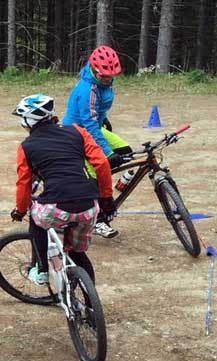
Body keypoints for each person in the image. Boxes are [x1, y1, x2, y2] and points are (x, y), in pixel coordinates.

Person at [10, 94, 115, 286]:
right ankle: (90, 303)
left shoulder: (26, 147)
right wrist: (106, 197)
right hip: (88, 207)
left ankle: (41, 270)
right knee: (78, 253)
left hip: (55, 208)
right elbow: (101, 164)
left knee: (35, 218)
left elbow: (23, 184)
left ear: (29, 121)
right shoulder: (77, 131)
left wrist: (20, 210)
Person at [61, 45, 131, 239]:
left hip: (94, 126)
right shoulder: (88, 88)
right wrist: (107, 152)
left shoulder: (103, 82)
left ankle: (116, 185)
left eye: (111, 76)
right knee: (99, 170)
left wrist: (104, 118)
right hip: (77, 132)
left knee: (127, 151)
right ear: (94, 70)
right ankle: (98, 219)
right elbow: (89, 123)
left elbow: (97, 110)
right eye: (104, 76)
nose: (108, 80)